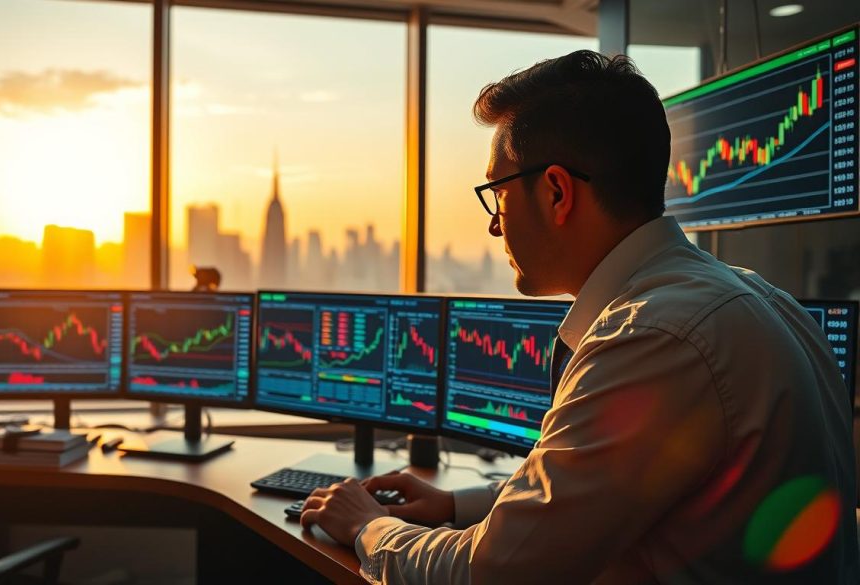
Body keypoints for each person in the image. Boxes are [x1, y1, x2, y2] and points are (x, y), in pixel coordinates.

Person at [299, 50, 859, 584]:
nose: (495, 226)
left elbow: (492, 574)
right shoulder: (753, 297)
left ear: (557, 192)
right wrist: (454, 503)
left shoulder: (652, 338)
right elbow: (596, 493)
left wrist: (369, 527)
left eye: (497, 194)